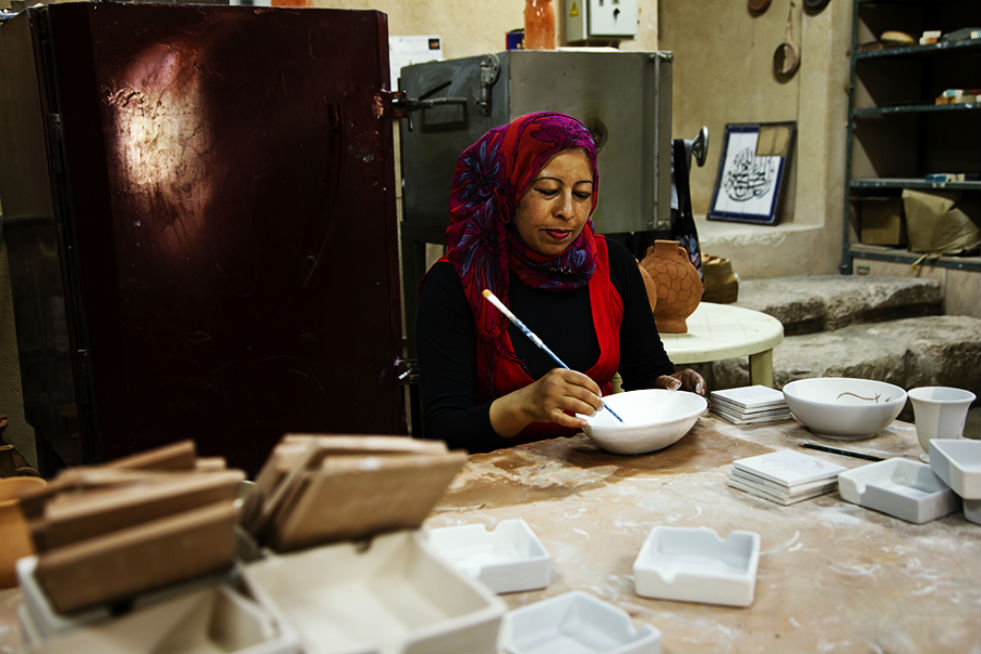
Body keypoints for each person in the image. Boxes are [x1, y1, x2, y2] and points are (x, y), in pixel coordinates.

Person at [417, 111, 705, 453]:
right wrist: (524, 404)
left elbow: (646, 370)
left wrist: (668, 386)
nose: (567, 211)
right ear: (508, 190)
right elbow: (442, 432)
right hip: (499, 486)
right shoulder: (457, 283)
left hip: (603, 472)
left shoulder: (612, 265)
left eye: (582, 194)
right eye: (548, 190)